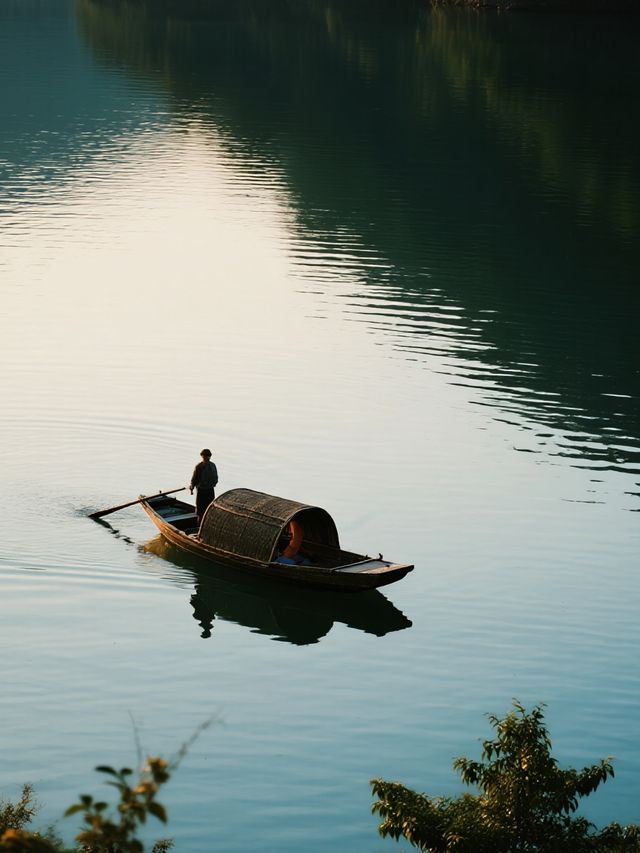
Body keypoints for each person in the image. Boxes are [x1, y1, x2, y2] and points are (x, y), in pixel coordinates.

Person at [190, 448, 218, 525]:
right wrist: (192, 486)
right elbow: (194, 478)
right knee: (200, 511)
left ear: (210, 456)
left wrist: (192, 485)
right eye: (205, 456)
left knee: (208, 508)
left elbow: (215, 478)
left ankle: (206, 525)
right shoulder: (199, 466)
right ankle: (199, 526)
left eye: (208, 456)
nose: (206, 457)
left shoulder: (212, 465)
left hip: (209, 490)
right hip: (202, 490)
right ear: (202, 456)